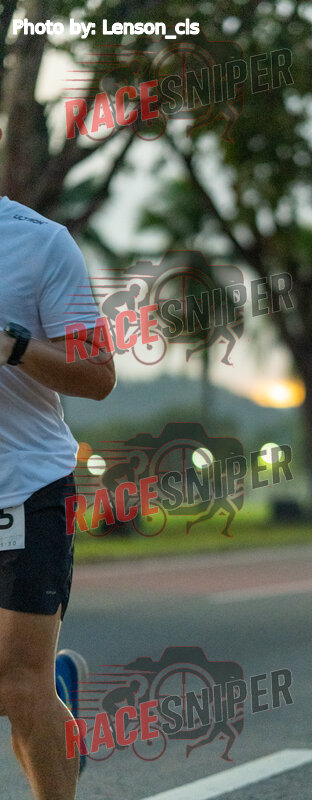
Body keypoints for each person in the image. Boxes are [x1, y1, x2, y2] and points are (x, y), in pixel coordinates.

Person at [0, 191, 115, 799]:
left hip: (26, 487)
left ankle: (45, 694)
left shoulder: (41, 242)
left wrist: (15, 348)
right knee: (17, 688)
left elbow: (98, 373)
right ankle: (57, 694)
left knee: (17, 685)